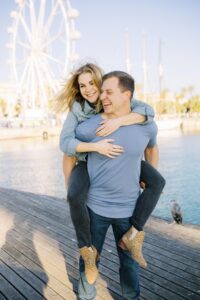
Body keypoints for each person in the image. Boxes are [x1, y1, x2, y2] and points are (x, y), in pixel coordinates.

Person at [58, 63, 165, 284]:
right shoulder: (78, 110)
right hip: (87, 160)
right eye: (82, 85)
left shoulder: (119, 102)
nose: (88, 89)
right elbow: (66, 144)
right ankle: (87, 251)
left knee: (157, 181)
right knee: (74, 196)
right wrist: (96, 147)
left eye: (92, 84)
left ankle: (135, 233)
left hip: (123, 170)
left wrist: (119, 120)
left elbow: (148, 112)